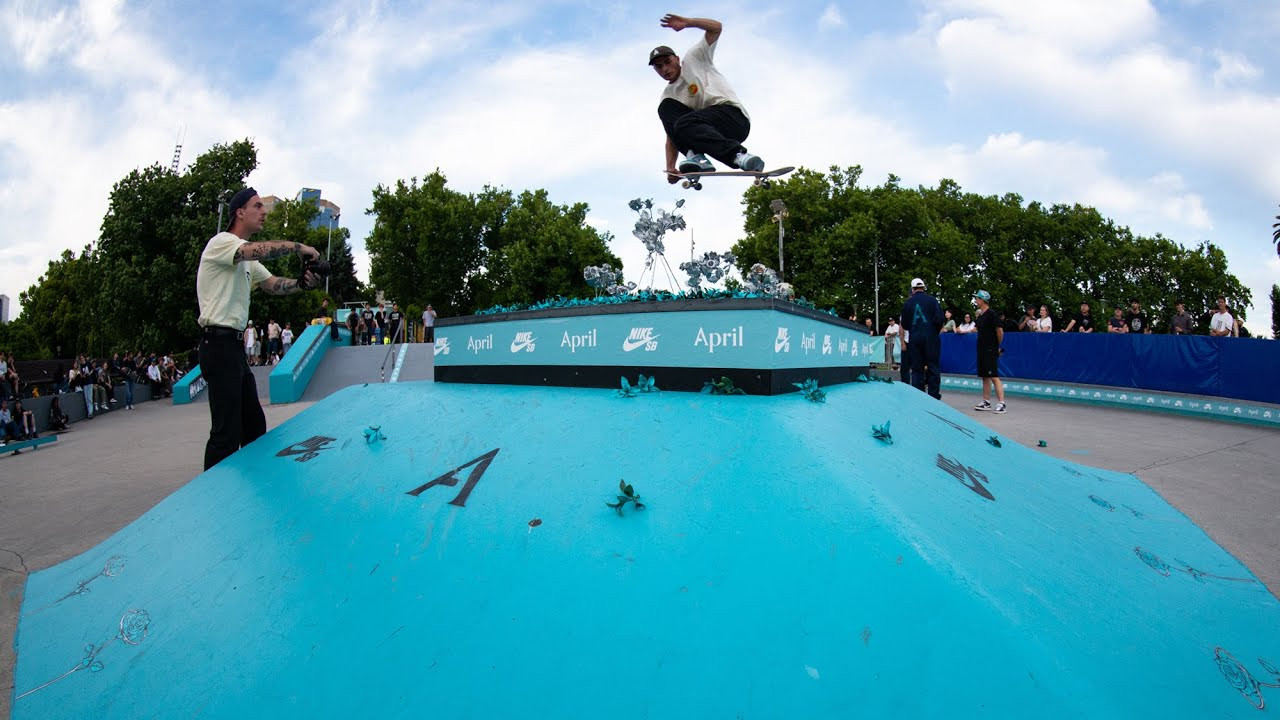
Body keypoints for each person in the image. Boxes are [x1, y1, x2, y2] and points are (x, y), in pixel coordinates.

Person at [196, 186, 320, 470]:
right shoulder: (222, 243)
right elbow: (255, 250)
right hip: (217, 343)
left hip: (234, 348)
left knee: (253, 425)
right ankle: (212, 495)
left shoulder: (247, 262)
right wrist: (298, 247)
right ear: (240, 212)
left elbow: (273, 284)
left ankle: (249, 484)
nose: (264, 212)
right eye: (257, 206)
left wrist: (301, 283)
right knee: (225, 432)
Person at [650, 14, 764, 183]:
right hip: (709, 132)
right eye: (659, 67)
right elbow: (671, 136)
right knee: (666, 108)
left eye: (668, 62)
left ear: (677, 59)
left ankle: (739, 155)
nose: (665, 69)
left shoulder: (694, 58)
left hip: (733, 118)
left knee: (684, 123)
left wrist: (689, 23)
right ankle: (695, 157)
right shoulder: (669, 96)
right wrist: (670, 167)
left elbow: (716, 28)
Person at [900, 277, 945, 399]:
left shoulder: (908, 303)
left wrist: (913, 329)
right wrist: (934, 330)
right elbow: (940, 318)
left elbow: (904, 324)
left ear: (912, 289)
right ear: (923, 288)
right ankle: (934, 395)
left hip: (915, 337)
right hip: (931, 337)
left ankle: (918, 396)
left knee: (917, 368)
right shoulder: (932, 300)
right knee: (933, 366)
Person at [971, 290, 1007, 414]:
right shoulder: (981, 316)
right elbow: (976, 330)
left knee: (994, 376)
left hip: (990, 349)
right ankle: (986, 402)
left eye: (977, 299)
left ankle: (1002, 403)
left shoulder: (992, 314)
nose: (975, 301)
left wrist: (996, 346)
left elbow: (1000, 331)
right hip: (981, 349)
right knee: (985, 376)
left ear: (982, 300)